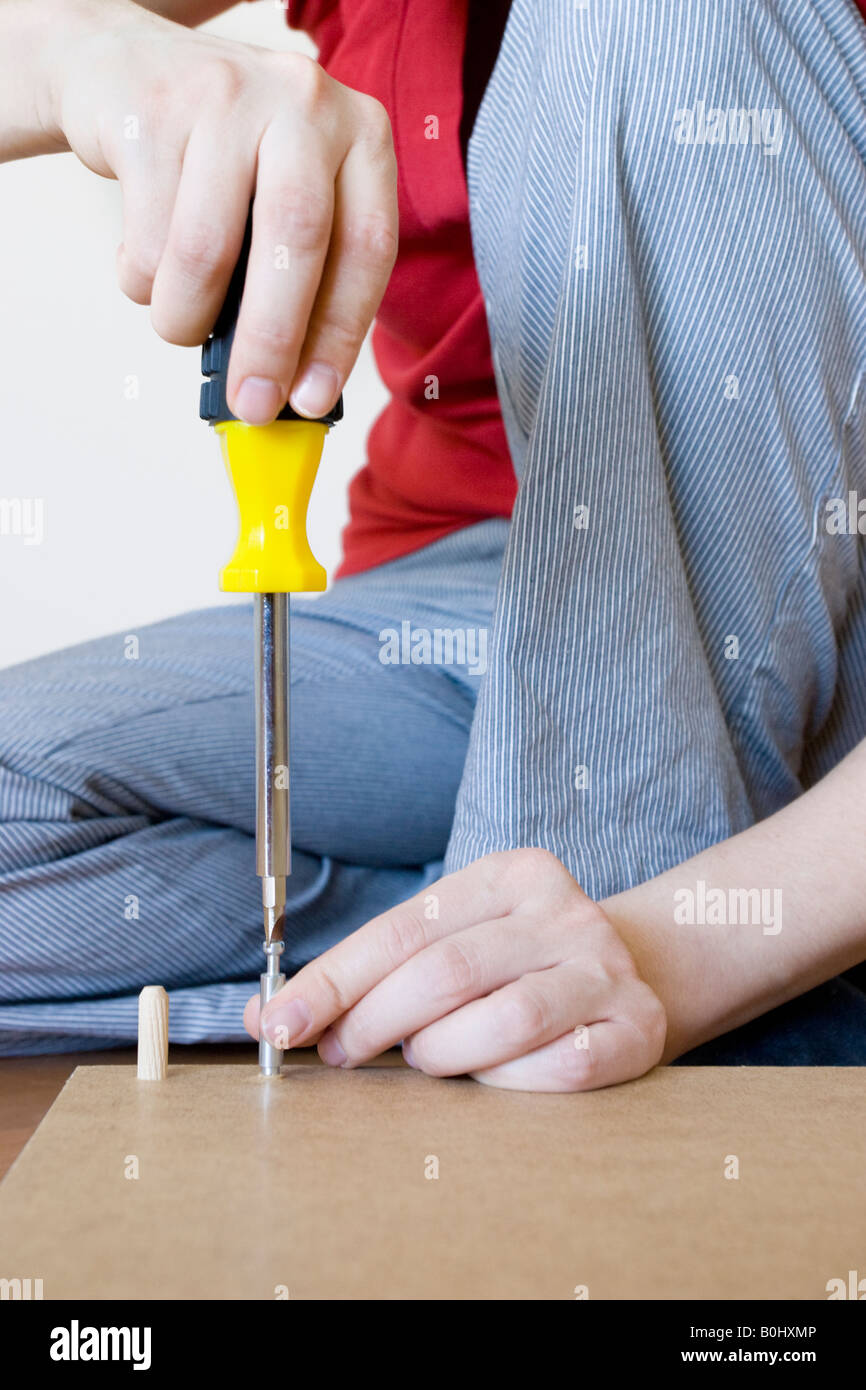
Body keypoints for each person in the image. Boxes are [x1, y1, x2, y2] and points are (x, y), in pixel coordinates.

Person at [1, 0, 865, 1090]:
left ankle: (655, 957)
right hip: (454, 621)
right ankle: (550, 947)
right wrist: (73, 53)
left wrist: (677, 951)